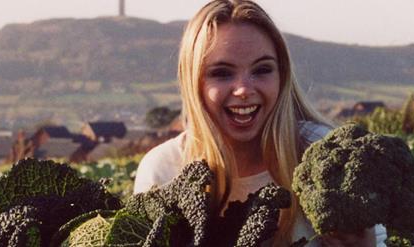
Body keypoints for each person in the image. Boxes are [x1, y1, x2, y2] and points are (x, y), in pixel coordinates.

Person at [134, 1, 386, 246]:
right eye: (222, 73)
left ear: (282, 75)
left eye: (262, 70)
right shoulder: (163, 170)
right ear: (194, 82)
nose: (244, 89)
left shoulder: (326, 157)